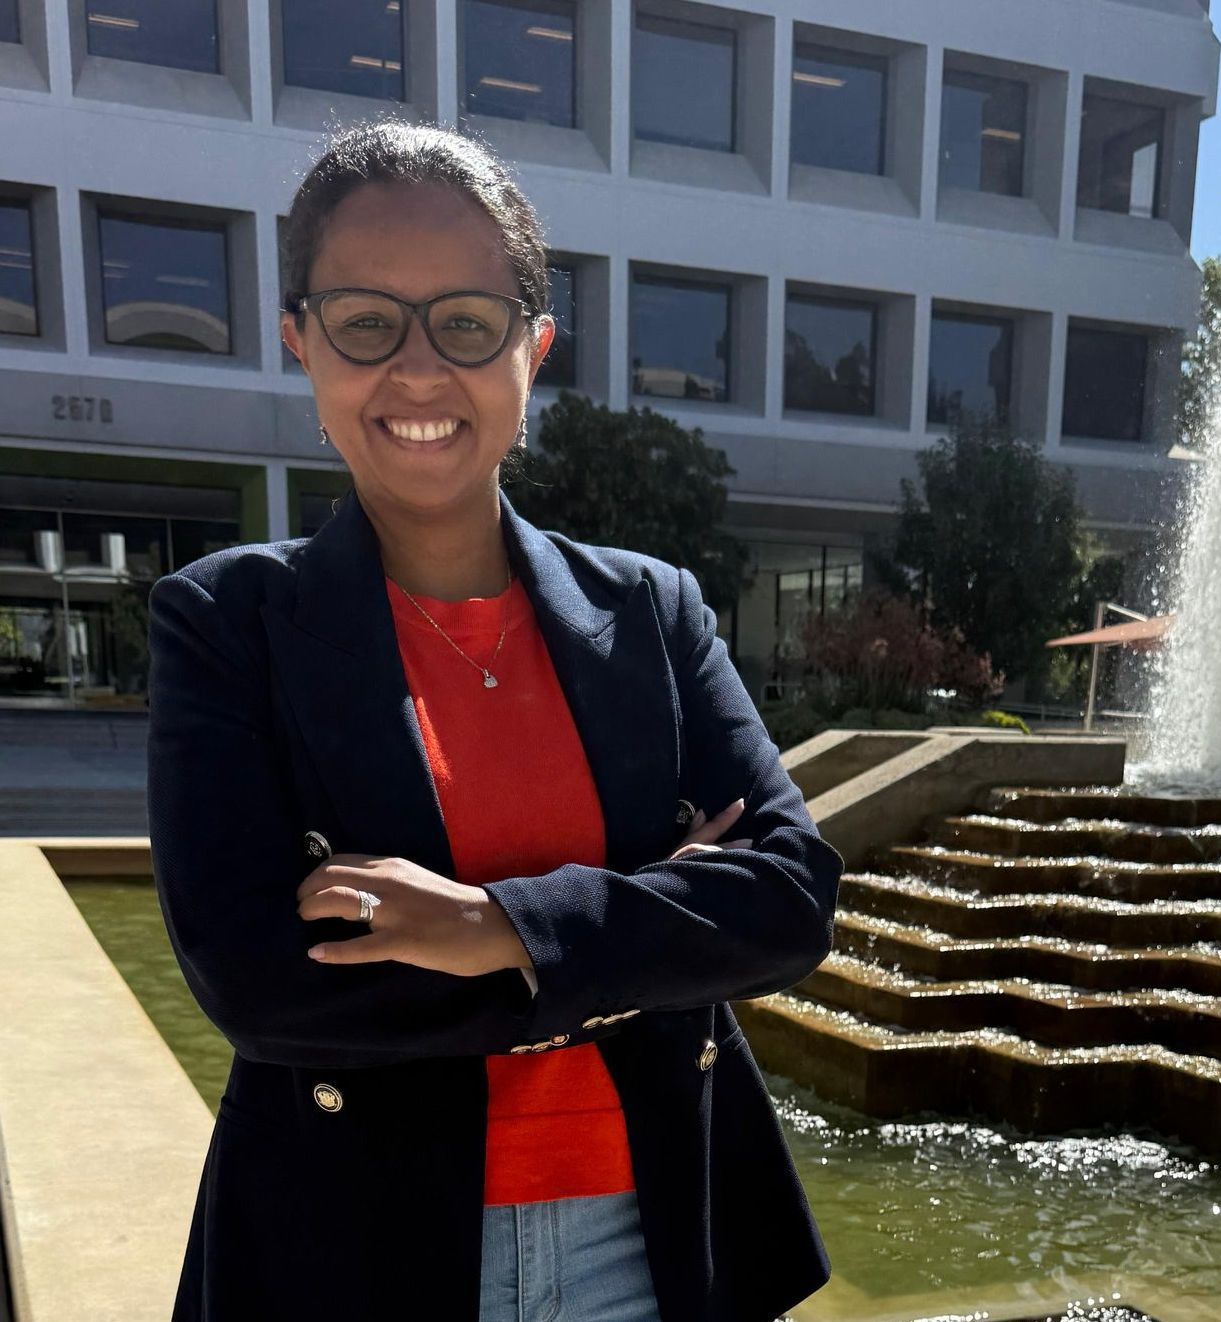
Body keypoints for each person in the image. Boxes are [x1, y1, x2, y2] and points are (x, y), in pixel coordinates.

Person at [144, 116, 843, 1322]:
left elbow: (786, 899)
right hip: (357, 1247)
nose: (419, 371)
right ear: (301, 342)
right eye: (367, 322)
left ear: (535, 347)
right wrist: (630, 940)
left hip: (654, 1238)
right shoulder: (226, 620)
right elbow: (260, 982)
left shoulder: (651, 608)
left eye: (466, 323)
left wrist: (493, 925)